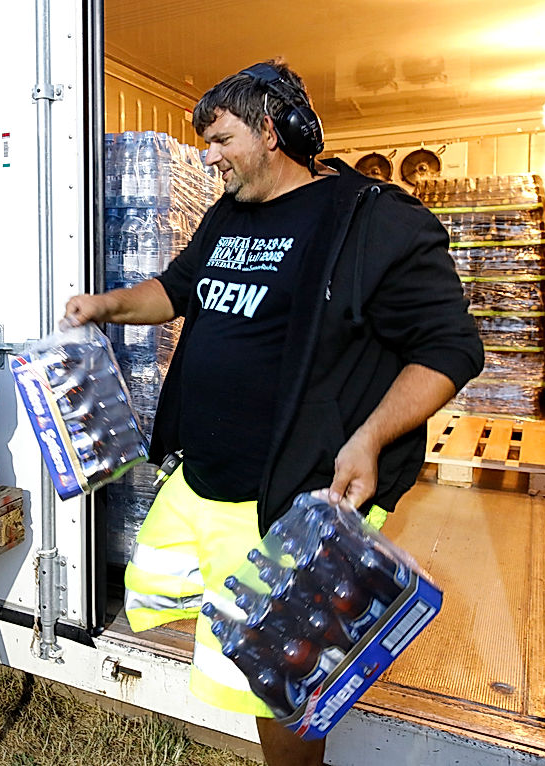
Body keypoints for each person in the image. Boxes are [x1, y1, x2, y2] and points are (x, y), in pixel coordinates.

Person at [64, 60, 483, 766]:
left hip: (296, 492)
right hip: (204, 480)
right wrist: (103, 306)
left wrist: (371, 438)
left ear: (272, 130)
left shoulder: (374, 221)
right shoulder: (230, 213)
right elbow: (177, 289)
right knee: (186, 612)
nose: (209, 157)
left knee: (279, 677)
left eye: (222, 139)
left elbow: (448, 348)